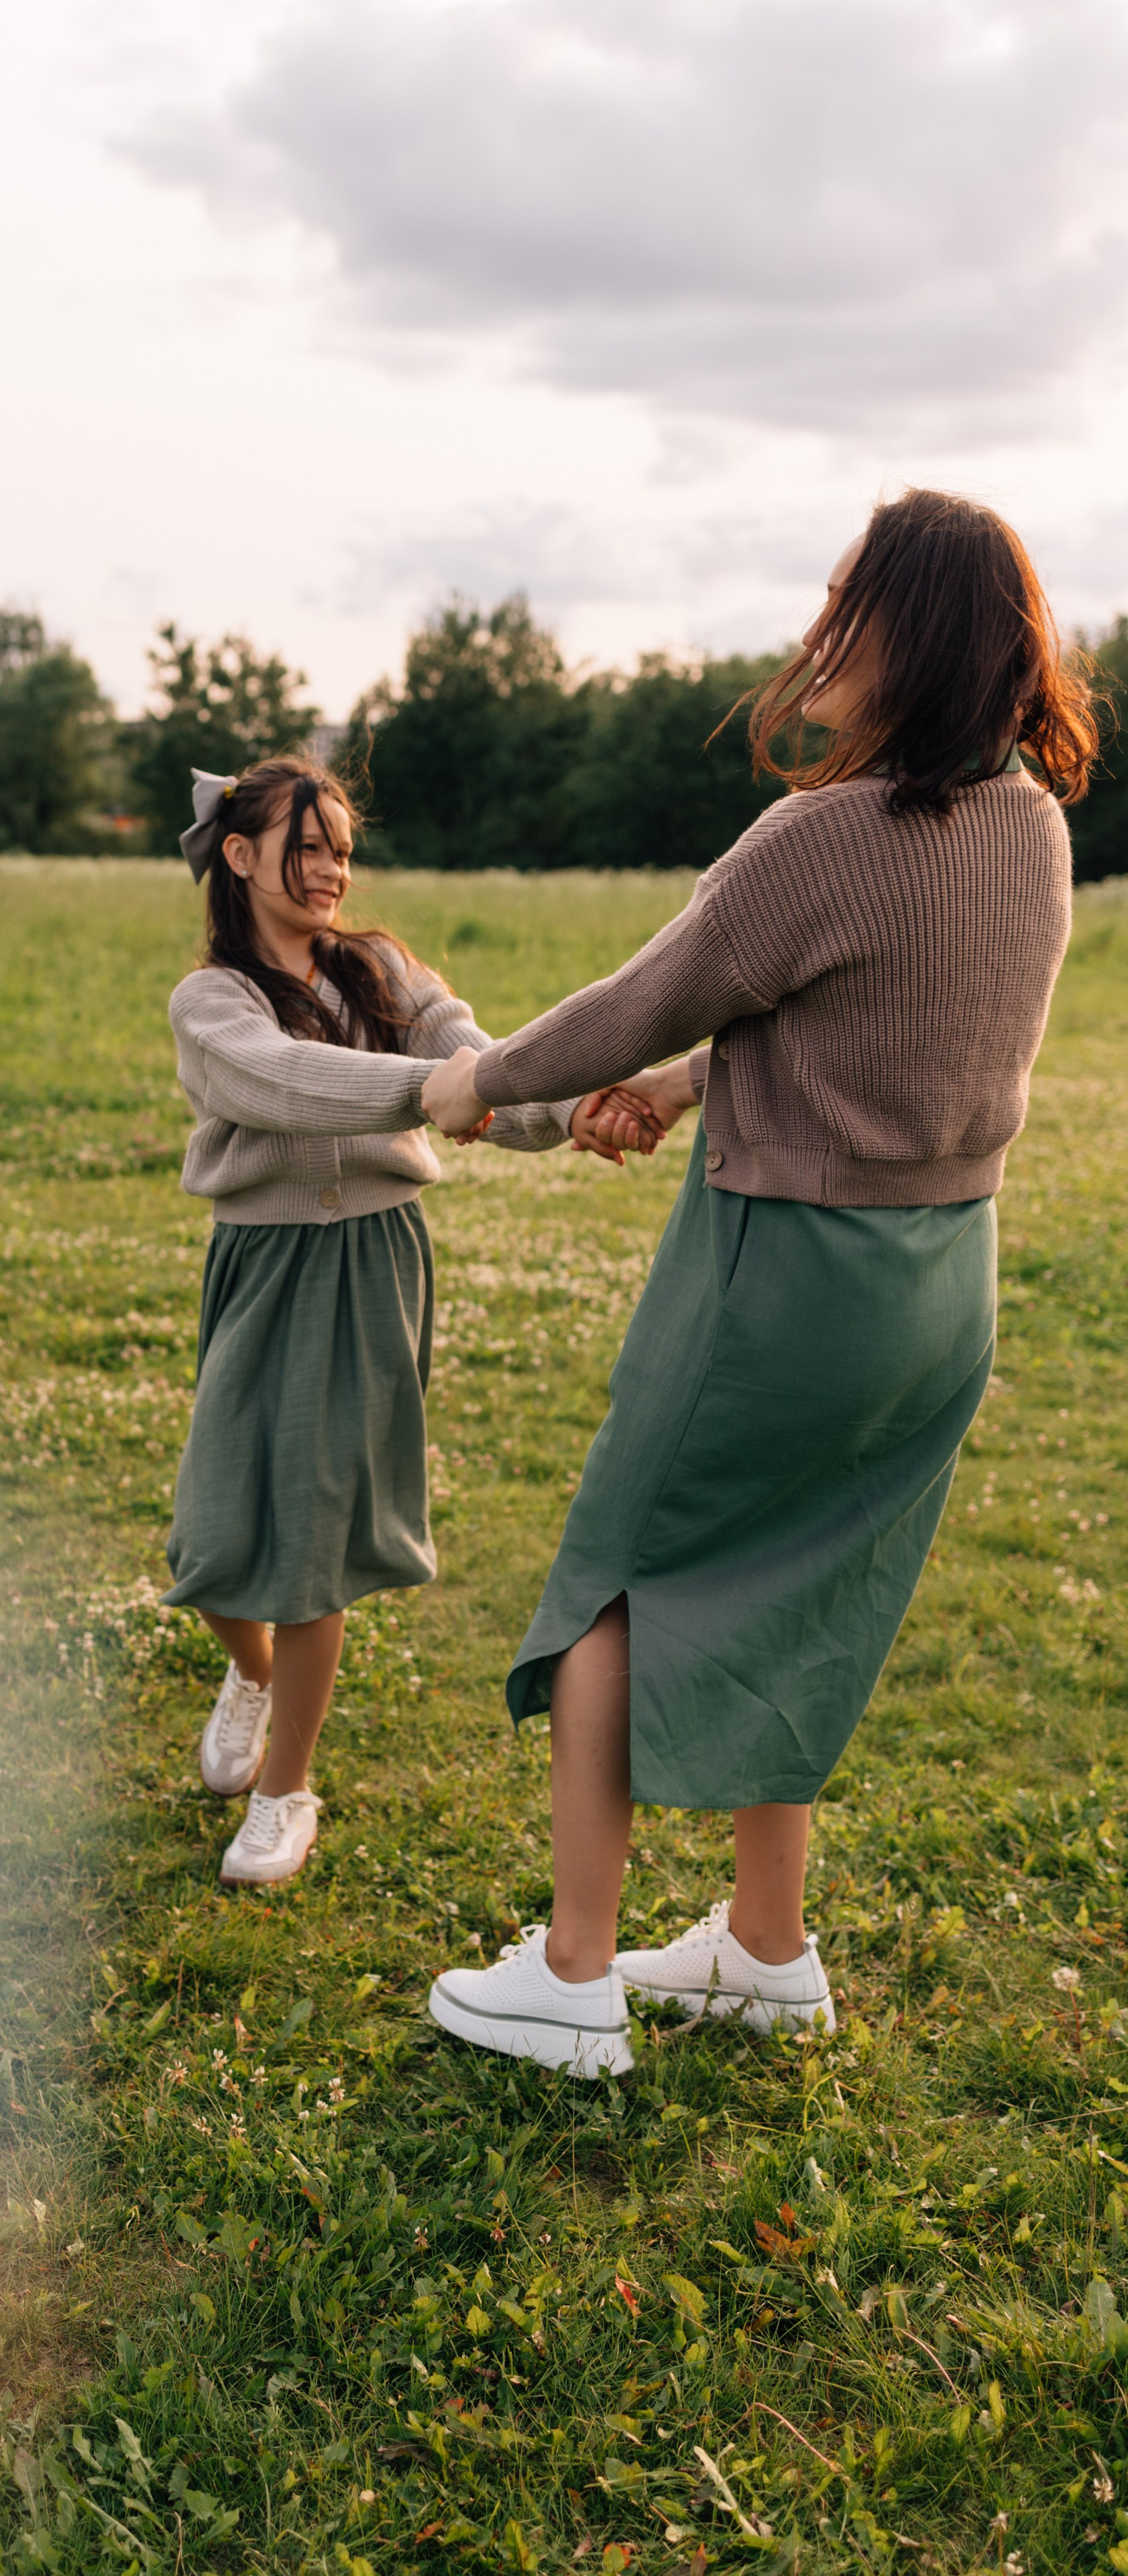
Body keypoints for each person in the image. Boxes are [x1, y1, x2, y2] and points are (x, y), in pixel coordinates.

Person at [419, 488, 1097, 2078]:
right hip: (937, 1287)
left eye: (844, 601)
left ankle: (573, 1975)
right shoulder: (1031, 829)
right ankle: (763, 1946)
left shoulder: (822, 836)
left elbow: (645, 990)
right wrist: (677, 1093)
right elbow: (878, 1037)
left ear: (901, 636)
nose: (820, 627)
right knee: (808, 1578)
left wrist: (475, 1084)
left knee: (616, 1572)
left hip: (779, 1274)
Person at [164, 754, 659, 1890]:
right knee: (210, 1535)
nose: (334, 867)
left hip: (371, 1264)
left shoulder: (383, 968)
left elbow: (477, 1059)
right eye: (309, 844)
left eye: (343, 845)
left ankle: (287, 1791)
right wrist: (433, 1093)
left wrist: (573, 1104)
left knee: (317, 1535)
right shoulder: (213, 1000)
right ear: (239, 855)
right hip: (267, 1261)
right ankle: (250, 1673)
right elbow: (280, 1081)